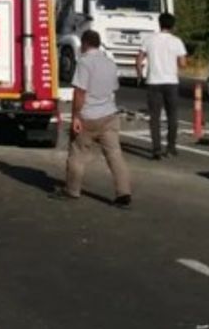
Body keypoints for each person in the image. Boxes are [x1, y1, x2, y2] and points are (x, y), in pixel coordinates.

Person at [52, 30, 132, 208]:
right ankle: (124, 193)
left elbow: (80, 92)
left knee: (77, 154)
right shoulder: (110, 63)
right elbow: (113, 88)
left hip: (88, 116)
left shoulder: (84, 63)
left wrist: (76, 116)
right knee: (115, 155)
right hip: (109, 115)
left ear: (85, 43)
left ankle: (72, 190)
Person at [136, 13, 188, 160]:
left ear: (159, 24)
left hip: (153, 81)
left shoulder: (149, 40)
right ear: (173, 26)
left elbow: (139, 59)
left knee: (155, 117)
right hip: (171, 82)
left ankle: (156, 149)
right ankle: (171, 146)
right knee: (172, 115)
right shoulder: (177, 41)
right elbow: (183, 63)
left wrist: (140, 75)